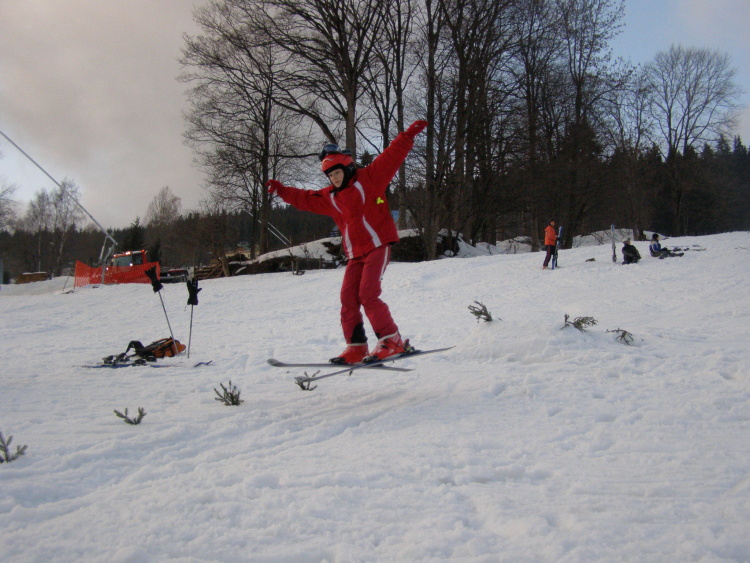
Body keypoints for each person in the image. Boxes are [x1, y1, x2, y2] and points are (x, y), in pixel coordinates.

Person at [266, 120, 428, 365]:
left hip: (378, 246)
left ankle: (392, 340)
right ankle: (356, 347)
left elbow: (391, 157)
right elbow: (304, 198)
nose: (334, 178)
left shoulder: (370, 179)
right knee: (348, 299)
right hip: (355, 254)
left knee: (368, 294)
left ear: (348, 168)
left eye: (337, 172)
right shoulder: (330, 197)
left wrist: (407, 136)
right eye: (330, 175)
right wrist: (281, 190)